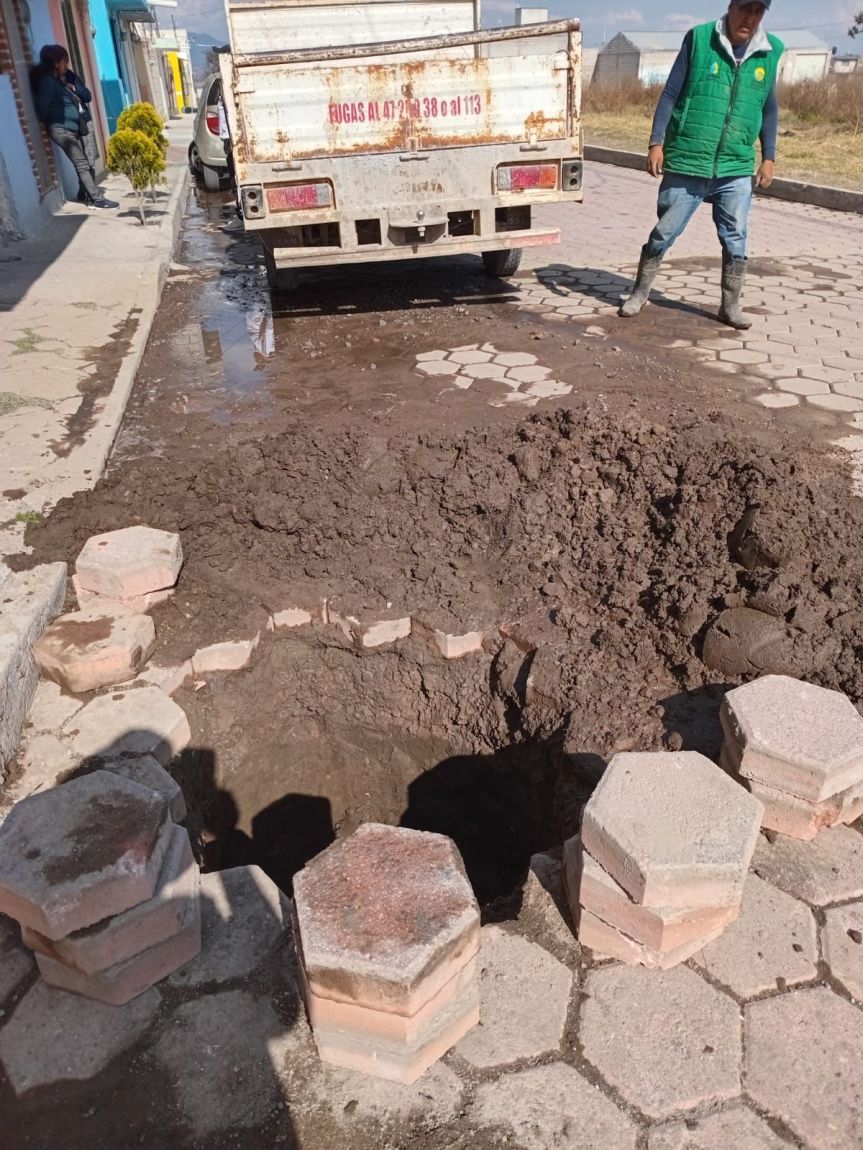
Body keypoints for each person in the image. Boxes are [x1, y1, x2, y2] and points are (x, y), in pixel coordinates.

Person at [618, 2, 783, 329]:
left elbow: (769, 108)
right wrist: (656, 142)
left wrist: (769, 156)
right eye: (745, 8)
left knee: (736, 236)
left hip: (735, 165)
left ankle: (730, 305)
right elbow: (670, 93)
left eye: (758, 11)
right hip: (688, 160)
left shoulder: (770, 51)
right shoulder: (699, 39)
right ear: (731, 6)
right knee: (664, 232)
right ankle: (639, 292)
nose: (750, 17)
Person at [31, 44, 118, 210]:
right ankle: (97, 199)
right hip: (62, 130)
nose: (66, 65)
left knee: (85, 162)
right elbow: (42, 108)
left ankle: (88, 194)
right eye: (64, 61)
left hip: (72, 128)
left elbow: (85, 95)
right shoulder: (48, 82)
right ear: (55, 63)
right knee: (82, 163)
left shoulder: (59, 80)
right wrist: (56, 120)